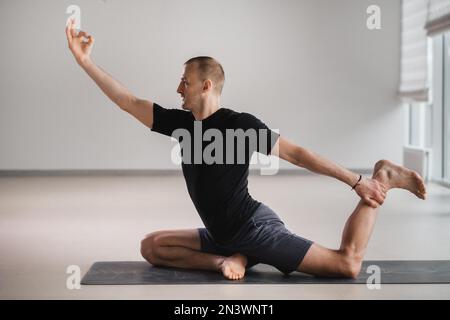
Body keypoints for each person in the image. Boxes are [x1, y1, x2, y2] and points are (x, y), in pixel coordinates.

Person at [65, 20, 427, 280]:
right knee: (151, 247)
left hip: (253, 227)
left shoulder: (241, 124)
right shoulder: (182, 124)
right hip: (221, 235)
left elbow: (297, 154)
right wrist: (85, 62)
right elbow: (128, 101)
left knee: (347, 264)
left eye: (185, 82)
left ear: (206, 86)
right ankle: (228, 260)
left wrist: (357, 181)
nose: (178, 88)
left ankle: (385, 176)